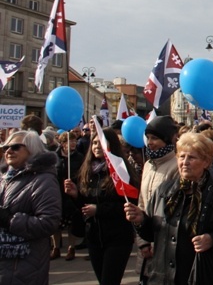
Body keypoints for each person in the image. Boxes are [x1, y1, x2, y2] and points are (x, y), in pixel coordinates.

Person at [124, 132, 213, 284]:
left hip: (205, 275)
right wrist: (141, 220)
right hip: (165, 276)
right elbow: (153, 234)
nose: (185, 162)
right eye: (181, 156)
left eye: (191, 157)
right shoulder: (164, 191)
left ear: (206, 162)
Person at [64, 127, 139, 285]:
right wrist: (76, 195)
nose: (97, 146)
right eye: (94, 143)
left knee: (109, 281)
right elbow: (84, 205)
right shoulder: (87, 171)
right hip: (94, 237)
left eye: (101, 143)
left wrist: (99, 210)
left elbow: (129, 205)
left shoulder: (121, 171)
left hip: (117, 237)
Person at [0, 131, 61, 285]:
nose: (8, 151)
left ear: (32, 149)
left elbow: (49, 223)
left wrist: (9, 220)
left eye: (15, 147)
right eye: (6, 147)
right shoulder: (4, 178)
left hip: (23, 265)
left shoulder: (43, 180)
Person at [137, 115, 180, 283]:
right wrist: (142, 241)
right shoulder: (148, 165)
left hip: (165, 240)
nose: (150, 142)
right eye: (148, 138)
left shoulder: (177, 166)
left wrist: (157, 242)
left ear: (167, 139)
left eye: (154, 138)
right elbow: (142, 203)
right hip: (146, 237)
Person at [52, 131, 85, 261]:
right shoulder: (54, 157)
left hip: (72, 194)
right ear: (62, 143)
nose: (73, 143)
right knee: (56, 223)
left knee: (71, 222)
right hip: (57, 193)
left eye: (74, 141)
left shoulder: (79, 157)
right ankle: (56, 247)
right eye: (70, 141)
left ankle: (71, 248)